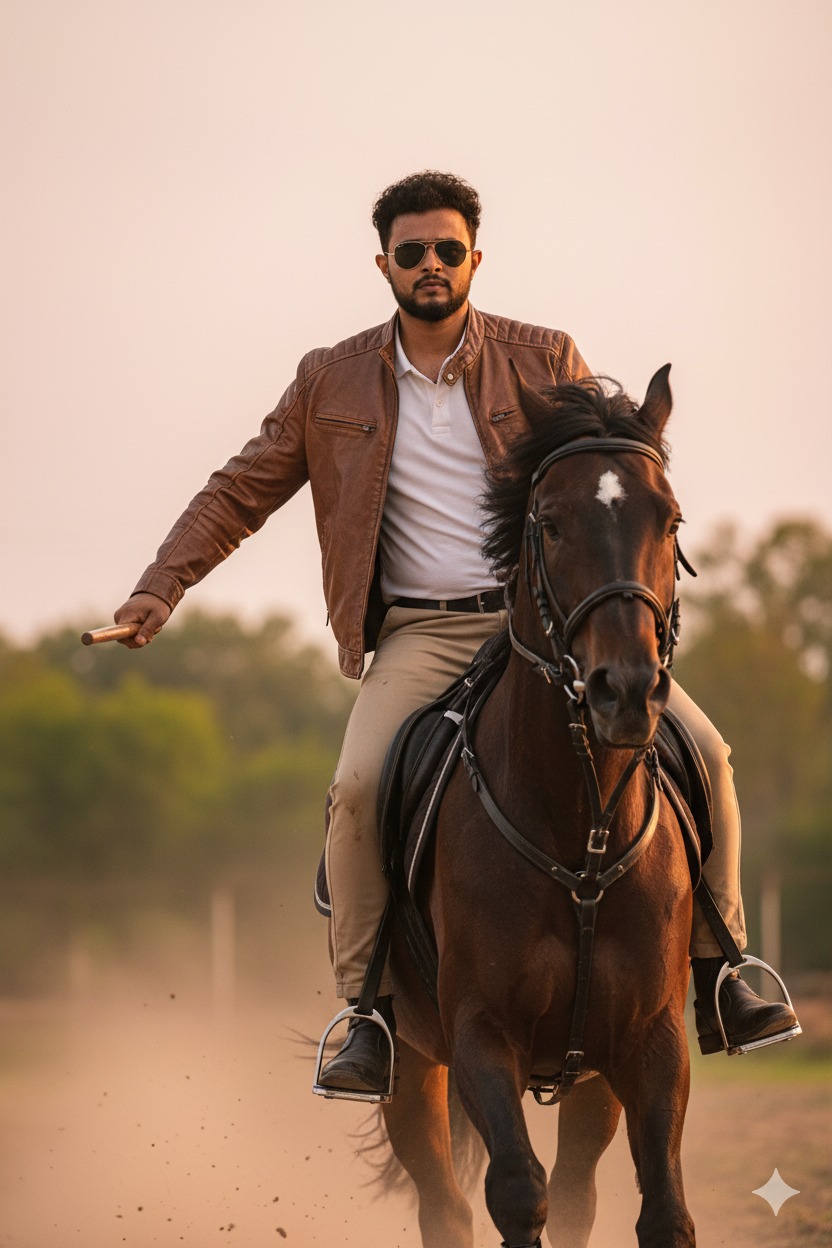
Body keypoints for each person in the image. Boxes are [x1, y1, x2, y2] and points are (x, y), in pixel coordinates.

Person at [113, 170, 798, 1096]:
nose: (430, 265)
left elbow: (604, 471)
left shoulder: (545, 355)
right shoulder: (329, 378)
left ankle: (725, 970)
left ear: (476, 256)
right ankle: (366, 1017)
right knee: (355, 792)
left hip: (544, 628)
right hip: (416, 637)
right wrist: (161, 587)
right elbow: (241, 488)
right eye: (411, 252)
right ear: (383, 264)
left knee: (707, 755)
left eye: (447, 249)